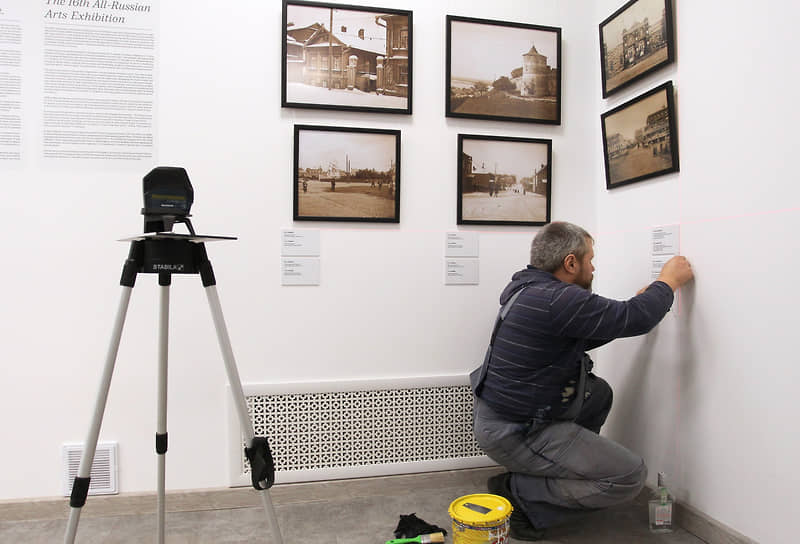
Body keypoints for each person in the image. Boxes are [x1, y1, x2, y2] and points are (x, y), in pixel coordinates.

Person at [471, 221, 693, 541]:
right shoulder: (558, 298)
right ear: (571, 262)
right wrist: (668, 282)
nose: (593, 267)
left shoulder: (529, 289)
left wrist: (647, 298)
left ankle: (546, 472)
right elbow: (636, 318)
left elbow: (586, 331)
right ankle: (522, 494)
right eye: (590, 259)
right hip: (515, 432)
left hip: (499, 421)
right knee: (629, 476)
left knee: (597, 394)